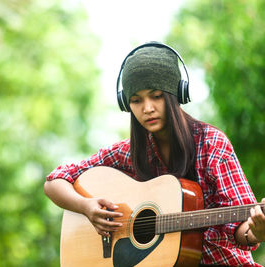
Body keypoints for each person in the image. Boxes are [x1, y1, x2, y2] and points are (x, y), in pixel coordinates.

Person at [44, 42, 265, 266]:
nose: (147, 108)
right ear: (126, 105)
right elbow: (55, 181)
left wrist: (256, 231)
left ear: (176, 94)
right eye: (136, 100)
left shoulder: (211, 144)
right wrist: (86, 207)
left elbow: (242, 226)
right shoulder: (128, 153)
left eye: (156, 96)